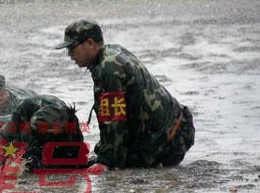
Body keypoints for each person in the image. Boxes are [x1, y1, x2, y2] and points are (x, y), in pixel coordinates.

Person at [55, 19, 195, 171]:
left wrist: (106, 162)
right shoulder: (112, 52)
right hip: (178, 128)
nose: (70, 55)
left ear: (90, 43)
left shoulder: (108, 69)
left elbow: (114, 119)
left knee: (99, 165)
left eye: (72, 48)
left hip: (169, 142)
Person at [0, 94, 88, 173]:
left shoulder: (70, 124)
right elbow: (5, 139)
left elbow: (78, 154)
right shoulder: (23, 110)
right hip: (23, 129)